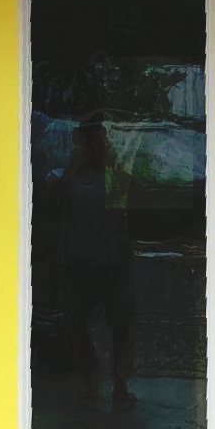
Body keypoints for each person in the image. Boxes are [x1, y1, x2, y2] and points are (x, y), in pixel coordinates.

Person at [55, 120, 137, 408]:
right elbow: (49, 197)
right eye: (90, 142)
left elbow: (127, 207)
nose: (97, 147)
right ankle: (90, 382)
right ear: (79, 145)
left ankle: (120, 384)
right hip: (78, 262)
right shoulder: (65, 180)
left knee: (121, 325)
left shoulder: (116, 176)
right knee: (77, 324)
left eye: (101, 141)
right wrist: (72, 169)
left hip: (112, 261)